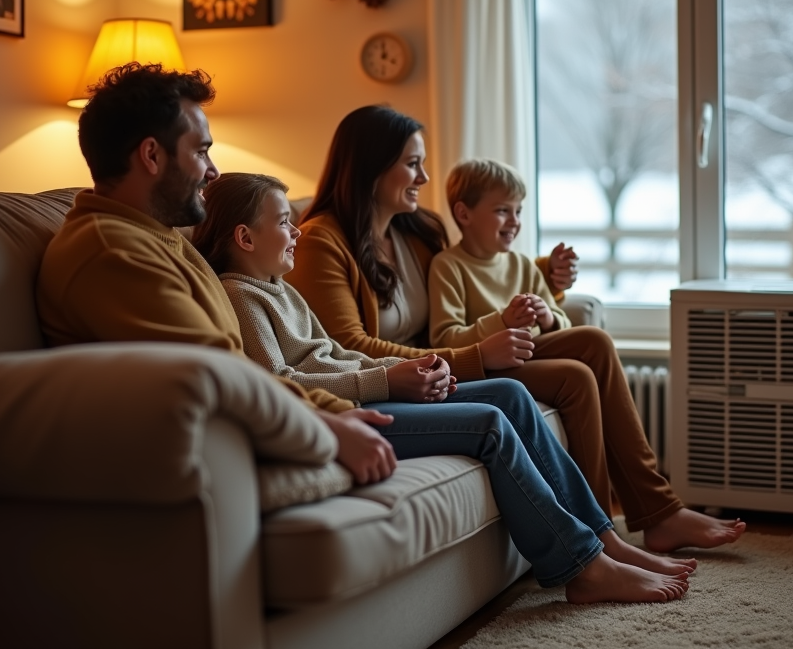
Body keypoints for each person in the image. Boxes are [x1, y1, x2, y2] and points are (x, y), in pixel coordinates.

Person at [191, 171, 693, 603]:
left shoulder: (280, 288)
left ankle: (604, 536)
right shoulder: (241, 296)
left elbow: (340, 353)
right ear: (245, 238)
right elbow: (283, 383)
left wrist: (415, 370)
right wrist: (385, 379)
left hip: (364, 389)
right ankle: (583, 568)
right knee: (491, 423)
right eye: (283, 222)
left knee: (512, 395)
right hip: (341, 413)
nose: (296, 230)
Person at [285, 105, 744, 553]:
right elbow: (351, 347)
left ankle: (658, 511)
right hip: (415, 376)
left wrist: (545, 277)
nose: (424, 178)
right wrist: (479, 356)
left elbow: (480, 262)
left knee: (594, 343)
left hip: (443, 360)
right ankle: (602, 527)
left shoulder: (416, 231)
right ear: (371, 167)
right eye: (412, 164)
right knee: (576, 376)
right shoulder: (322, 242)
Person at [36, 62, 398, 487]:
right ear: (152, 156)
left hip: (287, 412)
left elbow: (240, 366)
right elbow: (218, 371)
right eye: (201, 151)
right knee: (484, 418)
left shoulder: (161, 238)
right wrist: (332, 424)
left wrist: (335, 409)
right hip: (231, 438)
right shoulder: (113, 252)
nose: (212, 171)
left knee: (494, 399)